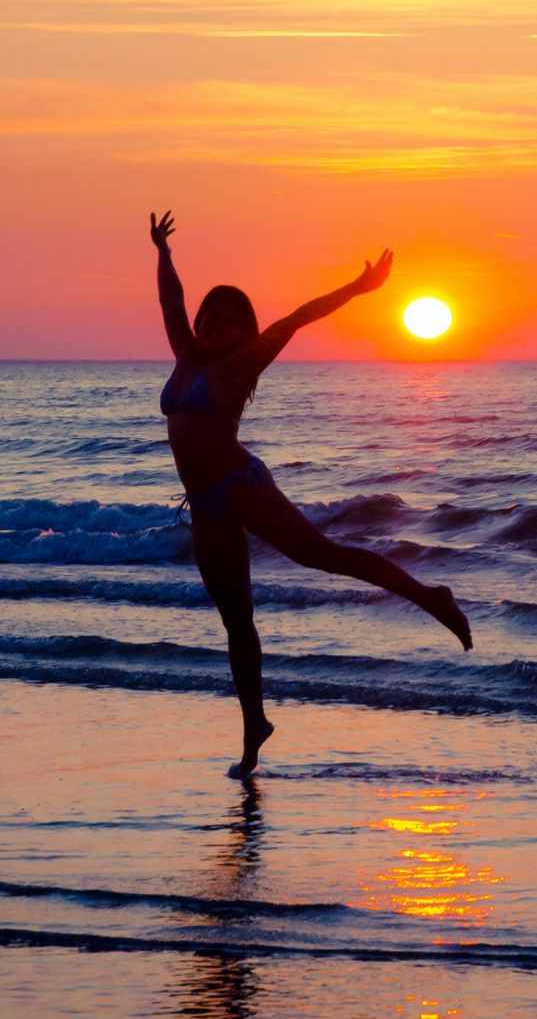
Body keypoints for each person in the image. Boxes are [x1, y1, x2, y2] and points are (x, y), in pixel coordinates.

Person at [152, 210, 473, 778]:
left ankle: (431, 595)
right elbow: (173, 304)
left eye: (233, 318)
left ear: (247, 335)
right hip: (204, 506)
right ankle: (255, 726)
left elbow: (299, 317)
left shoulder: (240, 363)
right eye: (214, 314)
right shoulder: (186, 357)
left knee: (322, 555)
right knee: (236, 621)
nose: (219, 322)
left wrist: (359, 286)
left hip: (239, 485)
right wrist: (164, 254)